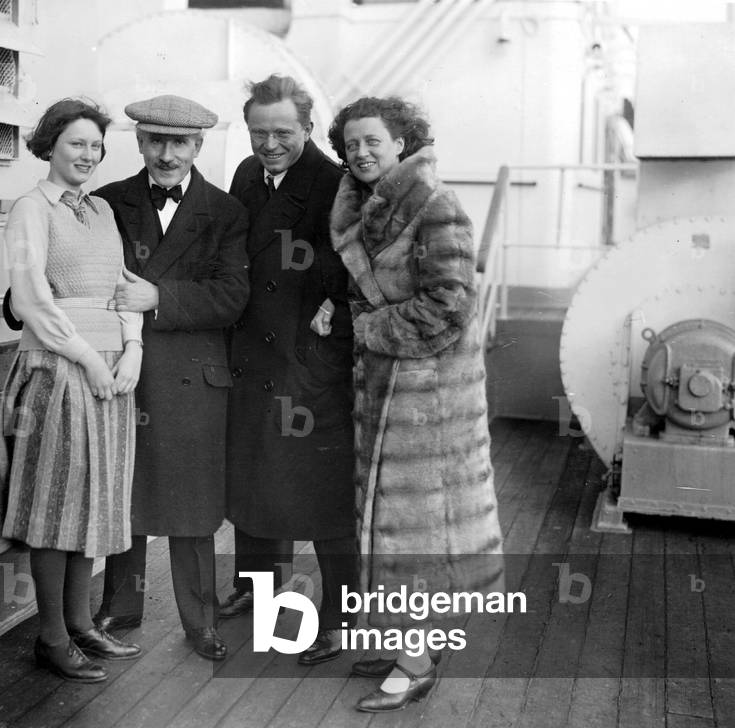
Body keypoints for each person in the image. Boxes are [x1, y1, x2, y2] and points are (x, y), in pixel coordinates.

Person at [326, 96, 504, 712]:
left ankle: (416, 664)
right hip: (389, 390)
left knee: (417, 534)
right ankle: (405, 644)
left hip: (428, 399)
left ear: (403, 142)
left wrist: (367, 330)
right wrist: (352, 315)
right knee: (386, 527)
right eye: (351, 144)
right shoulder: (368, 208)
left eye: (373, 140)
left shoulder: (435, 205)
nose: (361, 152)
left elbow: (451, 306)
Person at [0, 98, 144, 684]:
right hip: (58, 368)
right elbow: (29, 299)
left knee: (96, 497)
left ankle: (81, 624)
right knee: (57, 504)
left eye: (96, 145)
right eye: (77, 143)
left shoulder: (101, 210)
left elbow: (124, 288)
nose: (88, 154)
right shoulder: (31, 209)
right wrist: (88, 359)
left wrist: (133, 349)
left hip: (111, 369)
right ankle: (51, 637)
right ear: (50, 144)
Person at [92, 94, 250, 661]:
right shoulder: (107, 203)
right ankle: (121, 607)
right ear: (138, 142)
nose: (165, 154)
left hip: (193, 378)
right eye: (155, 140)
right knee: (126, 493)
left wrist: (159, 296)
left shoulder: (226, 213)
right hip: (123, 366)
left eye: (178, 142)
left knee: (193, 506)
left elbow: (233, 297)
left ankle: (200, 621)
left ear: (198, 146)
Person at [221, 74, 357, 665]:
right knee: (254, 477)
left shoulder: (338, 184)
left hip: (309, 362)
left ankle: (343, 618)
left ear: (307, 127)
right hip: (254, 356)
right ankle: (255, 591)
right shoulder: (248, 176)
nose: (269, 144)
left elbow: (364, 267)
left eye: (282, 132)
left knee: (324, 497)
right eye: (258, 132)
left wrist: (335, 311)